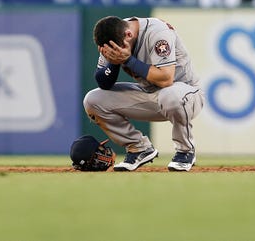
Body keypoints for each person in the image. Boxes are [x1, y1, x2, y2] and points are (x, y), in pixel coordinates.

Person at [83, 16, 204, 172]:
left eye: (116, 49)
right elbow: (103, 82)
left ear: (129, 35)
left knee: (170, 95)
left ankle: (185, 150)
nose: (115, 52)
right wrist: (113, 62)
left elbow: (166, 79)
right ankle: (138, 148)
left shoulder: (157, 32)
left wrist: (127, 60)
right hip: (150, 93)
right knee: (93, 100)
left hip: (186, 94)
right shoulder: (113, 38)